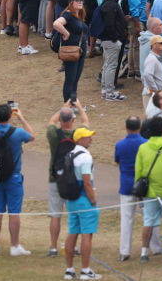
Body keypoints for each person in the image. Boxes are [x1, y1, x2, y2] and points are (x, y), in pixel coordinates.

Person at [0, 102, 34, 257]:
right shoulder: (17, 133)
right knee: (14, 212)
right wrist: (20, 117)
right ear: (9, 116)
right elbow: (32, 135)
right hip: (13, 176)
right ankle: (15, 245)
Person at [46, 103, 90, 257]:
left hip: (55, 177)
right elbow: (86, 123)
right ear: (72, 120)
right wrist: (78, 106)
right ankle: (73, 245)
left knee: (55, 214)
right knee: (74, 214)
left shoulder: (53, 134)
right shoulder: (77, 134)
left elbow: (51, 121)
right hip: (73, 178)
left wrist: (63, 107)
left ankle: (53, 247)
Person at [63, 127, 101, 281]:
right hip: (84, 199)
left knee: (72, 232)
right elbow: (87, 182)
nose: (90, 139)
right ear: (80, 140)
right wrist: (93, 200)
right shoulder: (85, 156)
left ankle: (69, 270)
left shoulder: (70, 154)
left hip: (71, 199)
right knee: (87, 234)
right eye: (87, 137)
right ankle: (85, 271)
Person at [133, 115, 162, 262]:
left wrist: (139, 193)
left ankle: (144, 252)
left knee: (148, 222)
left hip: (149, 190)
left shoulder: (142, 147)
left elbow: (138, 172)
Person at [114, 115, 145, 262]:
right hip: (144, 185)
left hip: (126, 184)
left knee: (126, 219)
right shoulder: (145, 143)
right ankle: (154, 247)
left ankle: (124, 251)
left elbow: (118, 162)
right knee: (149, 217)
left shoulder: (120, 145)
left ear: (126, 127)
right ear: (140, 127)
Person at [53, 0, 89, 102]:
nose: (80, 2)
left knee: (75, 79)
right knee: (70, 79)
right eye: (77, 0)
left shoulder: (79, 15)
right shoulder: (68, 14)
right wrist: (66, 33)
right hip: (71, 51)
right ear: (71, 3)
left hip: (80, 51)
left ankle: (73, 102)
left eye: (81, 0)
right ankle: (68, 104)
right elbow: (56, 24)